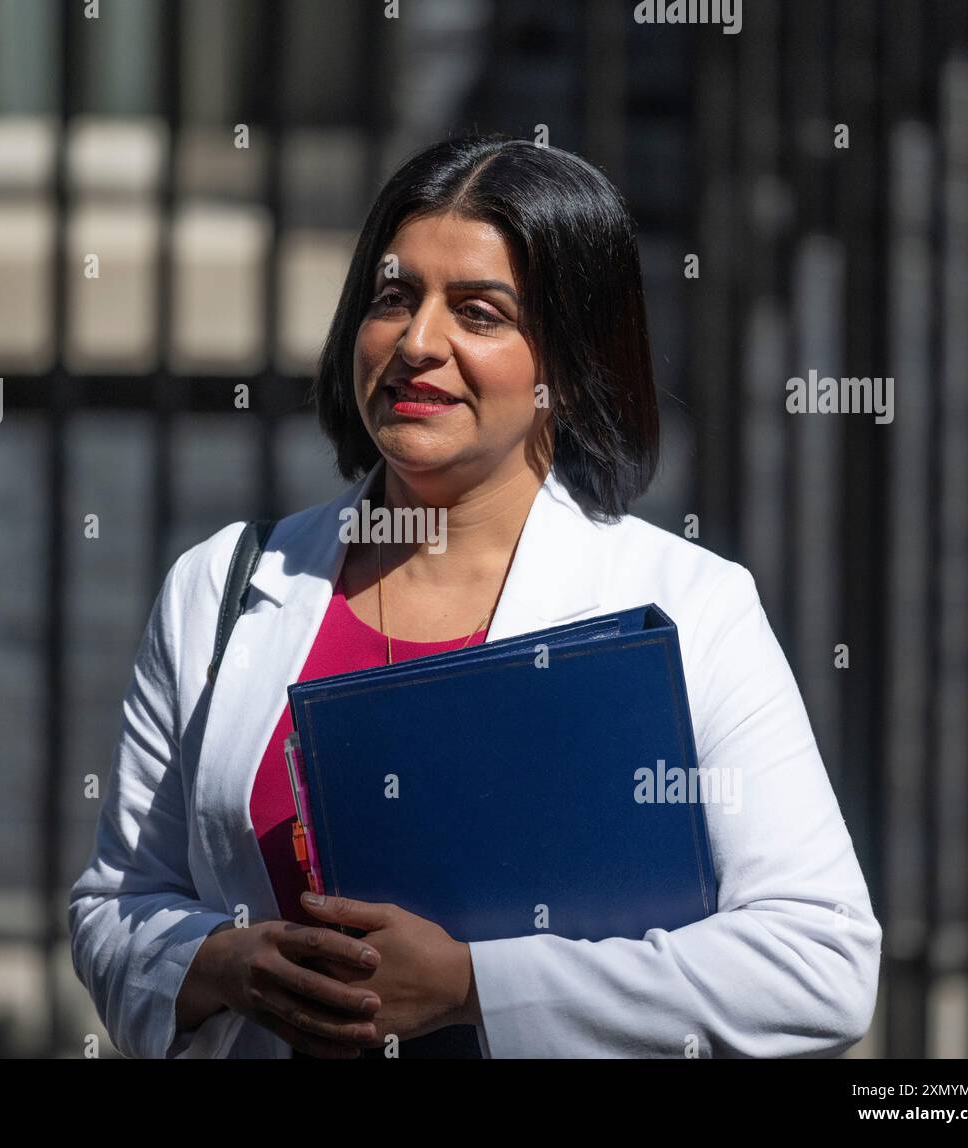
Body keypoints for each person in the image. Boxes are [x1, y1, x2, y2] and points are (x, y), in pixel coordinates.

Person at [67, 133, 882, 1059]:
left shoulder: (690, 606)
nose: (419, 344)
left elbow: (819, 963)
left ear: (566, 368)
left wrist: (473, 988)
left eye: (481, 313)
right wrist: (221, 963)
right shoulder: (220, 586)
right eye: (394, 298)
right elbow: (117, 908)